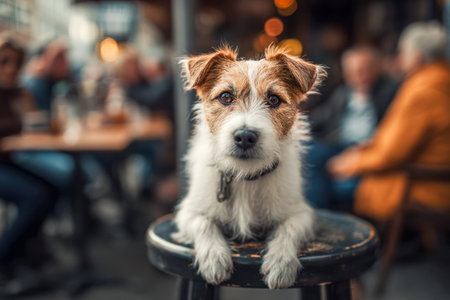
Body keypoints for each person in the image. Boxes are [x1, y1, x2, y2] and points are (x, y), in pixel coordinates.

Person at [328, 21, 450, 222]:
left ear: (417, 58)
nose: (399, 59)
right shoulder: (439, 81)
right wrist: (360, 152)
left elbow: (391, 154)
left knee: (338, 185)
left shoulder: (423, 91)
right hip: (430, 179)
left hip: (424, 186)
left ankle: (346, 241)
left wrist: (353, 164)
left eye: (402, 53)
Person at [304, 46, 398, 209]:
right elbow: (320, 118)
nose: (358, 77)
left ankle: (319, 214)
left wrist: (364, 149)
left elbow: (392, 133)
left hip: (368, 147)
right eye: (352, 72)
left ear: (375, 69)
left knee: (316, 160)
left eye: (363, 70)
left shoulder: (388, 93)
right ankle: (317, 214)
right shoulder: (343, 93)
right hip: (339, 144)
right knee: (309, 151)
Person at [0, 34, 58, 294]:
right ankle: (5, 262)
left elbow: (37, 124)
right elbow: (24, 125)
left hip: (7, 161)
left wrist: (25, 102)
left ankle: (26, 257)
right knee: (35, 197)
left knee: (53, 189)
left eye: (15, 63)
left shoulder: (15, 91)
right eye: (3, 62)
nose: (10, 68)